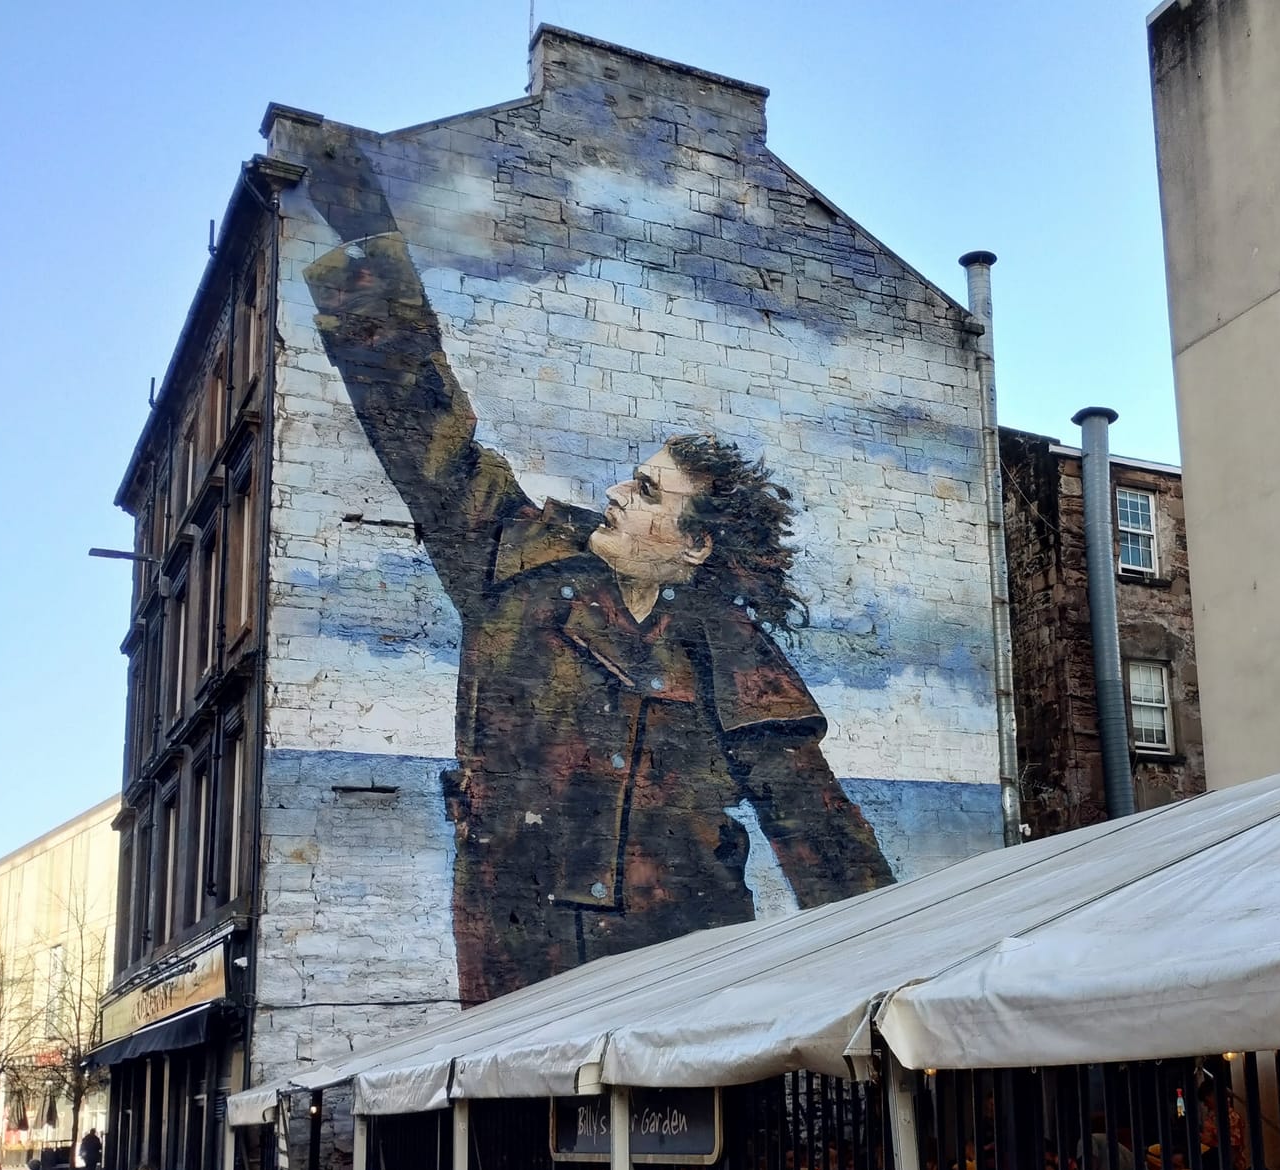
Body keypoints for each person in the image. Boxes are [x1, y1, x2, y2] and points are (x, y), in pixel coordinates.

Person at [301, 129, 896, 1003]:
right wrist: (367, 247)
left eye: (650, 490)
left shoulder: (736, 657)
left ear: (694, 546)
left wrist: (879, 1001)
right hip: (517, 978)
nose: (618, 491)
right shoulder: (510, 555)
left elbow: (824, 842)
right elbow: (415, 411)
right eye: (633, 475)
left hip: (682, 989)